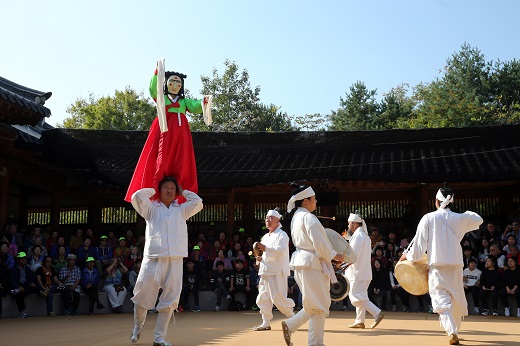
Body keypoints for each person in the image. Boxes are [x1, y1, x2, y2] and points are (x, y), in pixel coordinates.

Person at [400, 183, 483, 345]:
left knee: (441, 301)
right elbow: (478, 219)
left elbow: (418, 247)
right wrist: (464, 213)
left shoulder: (429, 218)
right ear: (452, 202)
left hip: (437, 266)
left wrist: (408, 257)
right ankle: (455, 330)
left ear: (436, 201)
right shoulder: (460, 218)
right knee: (457, 299)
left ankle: (452, 332)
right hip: (456, 266)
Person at [124, 60, 211, 204]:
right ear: (166, 84)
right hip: (164, 131)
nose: (175, 85)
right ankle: (154, 188)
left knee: (180, 159)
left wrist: (204, 102)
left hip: (180, 133)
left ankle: (179, 191)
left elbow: (196, 106)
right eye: (172, 82)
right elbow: (153, 90)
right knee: (161, 158)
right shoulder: (163, 98)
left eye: (178, 83)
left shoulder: (184, 101)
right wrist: (157, 73)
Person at [130, 176, 203, 346]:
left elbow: (198, 202)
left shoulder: (182, 209)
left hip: (175, 259)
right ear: (160, 190)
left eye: (172, 188)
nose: (169, 190)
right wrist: (154, 187)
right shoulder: (151, 208)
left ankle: (159, 338)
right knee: (142, 296)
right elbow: (137, 197)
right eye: (165, 187)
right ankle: (137, 326)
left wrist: (182, 190)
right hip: (153, 258)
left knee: (170, 301)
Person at [281, 185, 344, 346]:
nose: (316, 201)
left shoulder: (297, 217)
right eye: (314, 198)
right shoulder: (308, 217)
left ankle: (291, 325)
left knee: (313, 304)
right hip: (311, 264)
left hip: (304, 263)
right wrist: (335, 255)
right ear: (305, 201)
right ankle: (315, 343)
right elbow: (320, 244)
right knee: (319, 306)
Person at [253, 208, 295, 331]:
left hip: (276, 271)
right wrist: (259, 258)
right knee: (262, 297)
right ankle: (265, 322)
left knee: (277, 298)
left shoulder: (282, 235)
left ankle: (294, 317)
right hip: (265, 270)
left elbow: (280, 251)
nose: (268, 220)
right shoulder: (265, 236)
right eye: (266, 218)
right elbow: (263, 252)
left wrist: (265, 250)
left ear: (278, 220)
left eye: (270, 218)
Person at [346, 212, 385, 329]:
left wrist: (342, 262)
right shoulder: (364, 235)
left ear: (353, 224)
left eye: (349, 224)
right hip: (363, 272)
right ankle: (360, 320)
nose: (348, 226)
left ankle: (377, 313)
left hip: (357, 272)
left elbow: (353, 255)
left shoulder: (358, 236)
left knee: (355, 296)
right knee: (361, 295)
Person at [8, 252, 38, 318]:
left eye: (25, 259)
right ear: (18, 260)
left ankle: (16, 291)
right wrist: (18, 287)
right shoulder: (14, 269)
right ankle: (21, 312)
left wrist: (32, 283)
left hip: (25, 286)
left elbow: (31, 278)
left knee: (37, 288)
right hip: (18, 285)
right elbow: (11, 281)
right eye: (22, 259)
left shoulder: (27, 268)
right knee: (20, 294)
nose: (24, 260)